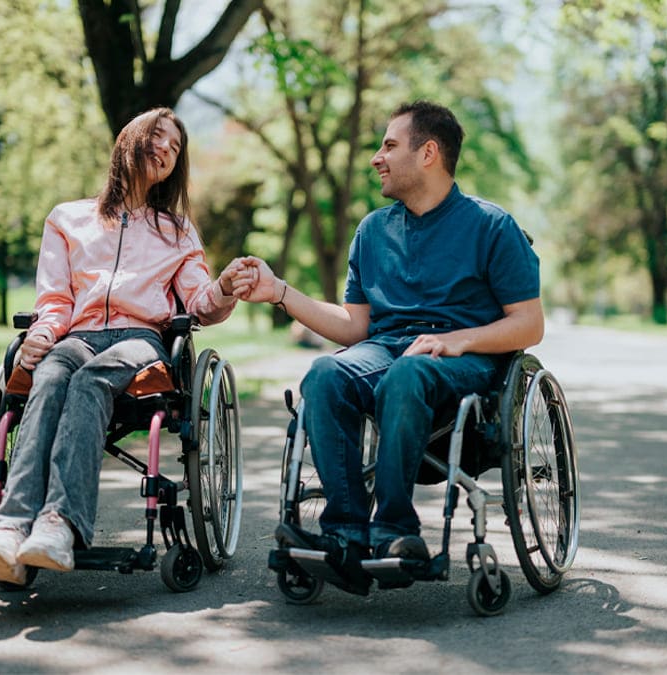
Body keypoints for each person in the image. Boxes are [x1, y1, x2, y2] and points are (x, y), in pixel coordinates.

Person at [233, 101, 543, 594]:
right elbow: (355, 327)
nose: (377, 157)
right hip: (386, 351)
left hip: (465, 363)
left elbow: (529, 323)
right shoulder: (373, 231)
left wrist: (456, 340)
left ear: (428, 153)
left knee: (408, 372)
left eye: (389, 145)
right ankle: (345, 534)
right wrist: (280, 293)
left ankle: (396, 531)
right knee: (325, 374)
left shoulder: (491, 226)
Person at [0, 107, 247, 586]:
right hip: (78, 335)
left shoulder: (176, 230)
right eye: (158, 137)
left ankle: (59, 524)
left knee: (91, 380)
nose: (166, 150)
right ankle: (10, 525)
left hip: (141, 343)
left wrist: (223, 287)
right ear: (129, 140)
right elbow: (55, 300)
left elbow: (199, 302)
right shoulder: (67, 219)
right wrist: (40, 336)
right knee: (52, 374)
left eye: (176, 147)